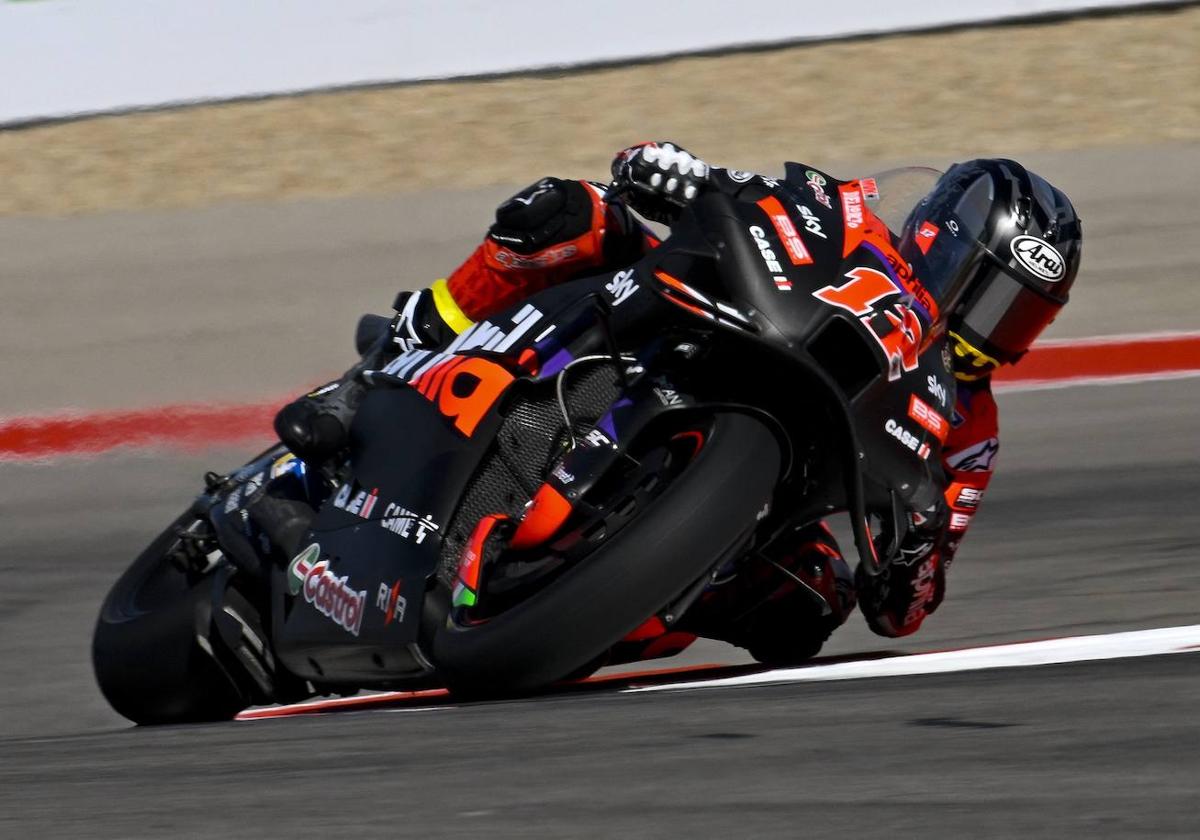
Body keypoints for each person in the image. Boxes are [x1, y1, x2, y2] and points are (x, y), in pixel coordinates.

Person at [273, 142, 1082, 664]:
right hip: (708, 336)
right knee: (569, 213)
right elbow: (754, 196)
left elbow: (904, 613)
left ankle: (605, 596)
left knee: (814, 602)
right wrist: (682, 173)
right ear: (941, 241)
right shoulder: (852, 224)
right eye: (988, 296)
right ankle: (400, 350)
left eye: (1018, 314)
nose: (990, 327)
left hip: (769, 499)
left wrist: (916, 554)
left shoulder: (971, 429)